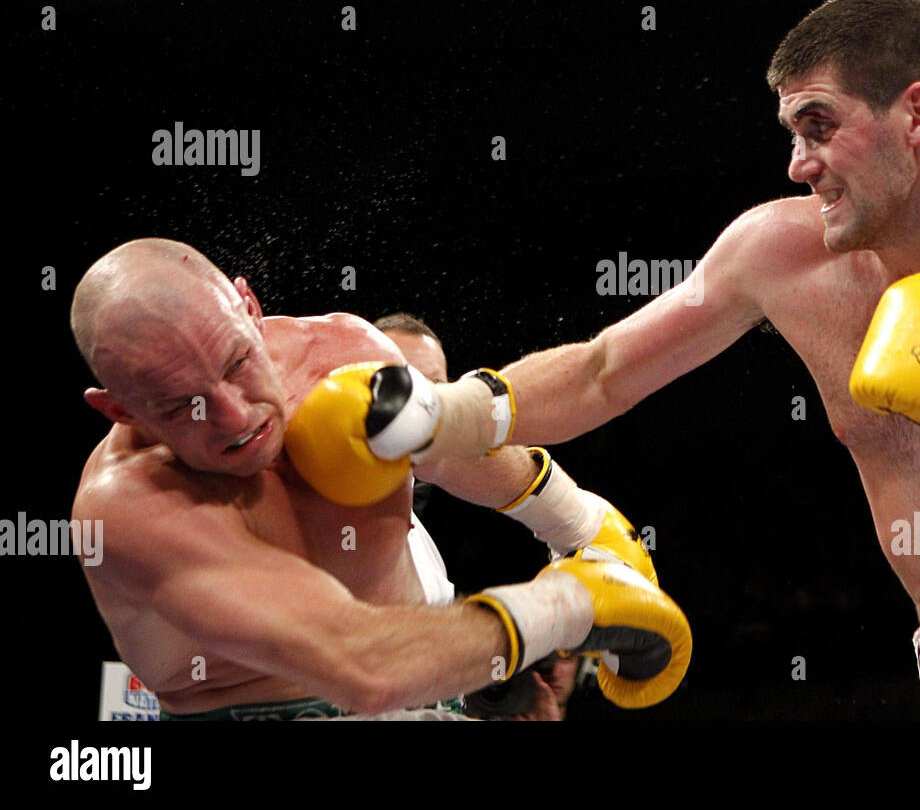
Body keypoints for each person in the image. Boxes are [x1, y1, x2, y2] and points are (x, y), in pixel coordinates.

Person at [403, 0, 920, 719]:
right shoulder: (782, 256)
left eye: (819, 126)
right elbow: (600, 370)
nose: (799, 163)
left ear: (916, 114)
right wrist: (432, 416)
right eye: (793, 131)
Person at [69, 239, 688, 720]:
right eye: (180, 405)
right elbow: (358, 663)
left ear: (250, 307)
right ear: (118, 408)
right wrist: (574, 605)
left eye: (237, 362)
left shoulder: (344, 353)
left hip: (432, 693)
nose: (235, 416)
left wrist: (579, 522)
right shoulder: (128, 508)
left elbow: (447, 448)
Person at [374, 312, 581, 719]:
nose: (411, 408)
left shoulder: (421, 540)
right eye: (397, 383)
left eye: (432, 390)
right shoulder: (307, 516)